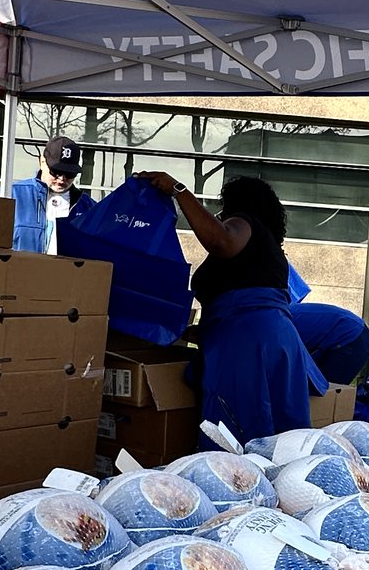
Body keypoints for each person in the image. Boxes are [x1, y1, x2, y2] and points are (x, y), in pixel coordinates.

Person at [133, 171, 327, 445]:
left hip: (246, 343)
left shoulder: (244, 223)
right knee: (283, 434)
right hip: (277, 341)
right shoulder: (266, 249)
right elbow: (246, 296)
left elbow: (220, 241)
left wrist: (178, 191)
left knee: (237, 429)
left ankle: (237, 485)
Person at [11, 136, 94, 253]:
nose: (62, 179)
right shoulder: (11, 195)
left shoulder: (90, 209)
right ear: (42, 162)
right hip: (18, 270)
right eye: (56, 171)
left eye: (70, 174)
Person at [290, 302, 369, 383]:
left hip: (350, 337)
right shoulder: (284, 313)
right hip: (350, 329)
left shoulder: (283, 324)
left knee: (324, 389)